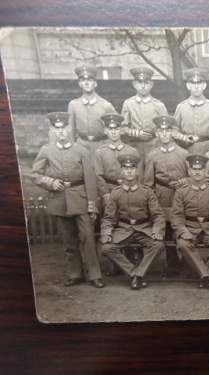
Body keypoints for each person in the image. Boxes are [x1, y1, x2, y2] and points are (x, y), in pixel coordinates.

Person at [30, 112, 104, 288]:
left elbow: (90, 179)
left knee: (88, 238)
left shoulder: (81, 150)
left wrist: (92, 204)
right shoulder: (46, 150)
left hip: (81, 199)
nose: (61, 131)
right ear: (52, 130)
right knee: (68, 240)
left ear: (69, 129)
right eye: (57, 128)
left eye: (64, 128)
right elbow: (35, 174)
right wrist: (50, 182)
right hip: (59, 200)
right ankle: (75, 273)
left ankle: (94, 275)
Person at [100, 153, 166, 290]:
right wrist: (107, 232)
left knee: (158, 245)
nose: (129, 171)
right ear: (121, 171)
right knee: (107, 248)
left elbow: (158, 215)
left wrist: (157, 230)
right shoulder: (115, 193)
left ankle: (138, 274)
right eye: (125, 169)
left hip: (143, 228)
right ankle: (134, 274)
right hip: (124, 229)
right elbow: (109, 217)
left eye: (132, 169)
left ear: (136, 171)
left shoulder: (147, 192)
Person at [170, 155, 209, 289]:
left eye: (200, 169)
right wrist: (183, 232)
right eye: (194, 169)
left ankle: (207, 275)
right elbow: (176, 216)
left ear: (205, 171)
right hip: (190, 228)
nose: (197, 172)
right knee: (183, 244)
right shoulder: (181, 192)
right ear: (189, 171)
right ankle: (207, 276)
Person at [121, 67, 168, 163]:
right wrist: (136, 133)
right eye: (139, 83)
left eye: (146, 83)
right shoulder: (128, 104)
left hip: (154, 146)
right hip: (134, 146)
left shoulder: (158, 105)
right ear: (134, 84)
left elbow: (167, 128)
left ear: (151, 85)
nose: (143, 86)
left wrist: (154, 133)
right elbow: (122, 128)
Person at [67, 65, 116, 157]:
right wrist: (72, 149)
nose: (86, 83)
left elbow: (115, 128)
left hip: (101, 146)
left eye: (89, 80)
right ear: (79, 84)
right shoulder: (73, 105)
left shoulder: (106, 105)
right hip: (81, 146)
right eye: (83, 80)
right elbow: (71, 130)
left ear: (95, 83)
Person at [173, 68, 209, 154]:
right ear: (188, 86)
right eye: (193, 83)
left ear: (204, 86)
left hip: (208, 150)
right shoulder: (181, 107)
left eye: (199, 83)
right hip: (186, 149)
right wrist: (184, 138)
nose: (196, 87)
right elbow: (173, 130)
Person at [94, 113, 140, 206]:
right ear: (105, 131)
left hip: (129, 190)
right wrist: (105, 194)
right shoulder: (100, 152)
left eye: (116, 129)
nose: (114, 132)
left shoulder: (132, 151)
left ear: (121, 131)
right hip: (109, 191)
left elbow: (138, 175)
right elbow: (98, 175)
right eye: (110, 129)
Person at [144, 115, 189, 209]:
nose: (164, 134)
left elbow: (192, 178)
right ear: (157, 133)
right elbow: (148, 184)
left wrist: (183, 181)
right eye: (161, 131)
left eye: (167, 131)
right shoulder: (152, 155)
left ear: (172, 132)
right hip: (161, 197)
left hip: (181, 195)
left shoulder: (184, 153)